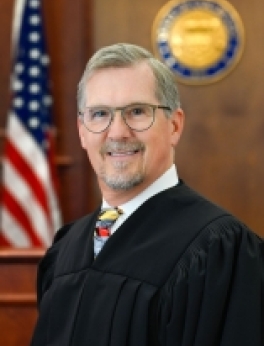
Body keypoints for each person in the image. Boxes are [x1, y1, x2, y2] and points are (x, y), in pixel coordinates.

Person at [30, 43, 264, 346]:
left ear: (175, 125)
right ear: (82, 131)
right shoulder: (66, 248)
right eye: (100, 114)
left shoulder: (220, 251)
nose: (117, 132)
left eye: (137, 112)